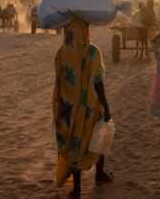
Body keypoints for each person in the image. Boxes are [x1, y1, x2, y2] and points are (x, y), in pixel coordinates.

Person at [53, 18, 114, 198]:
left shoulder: (61, 53)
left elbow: (59, 82)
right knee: (97, 136)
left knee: (74, 143)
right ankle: (100, 174)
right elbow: (98, 82)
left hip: (67, 110)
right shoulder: (93, 52)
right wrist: (106, 105)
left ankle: (77, 188)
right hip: (90, 108)